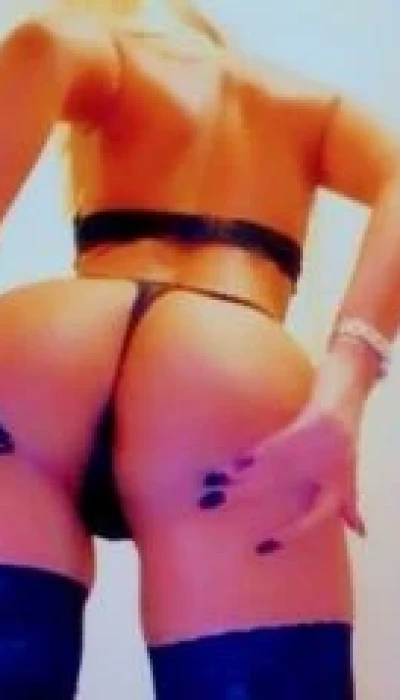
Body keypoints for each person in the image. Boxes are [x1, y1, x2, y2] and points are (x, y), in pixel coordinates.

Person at [0, 0, 398, 697]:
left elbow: (44, 40)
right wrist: (348, 376)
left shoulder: (107, 48)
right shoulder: (313, 107)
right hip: (224, 367)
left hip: (43, 355)